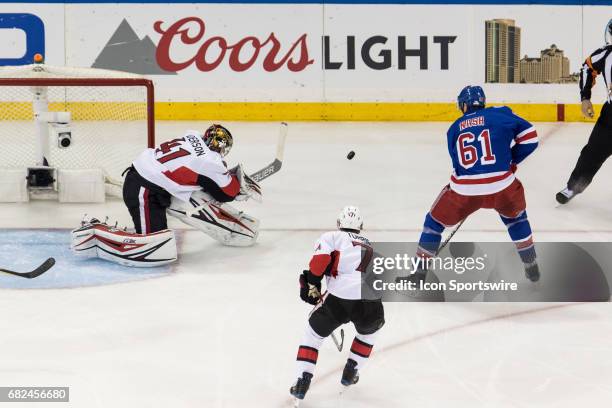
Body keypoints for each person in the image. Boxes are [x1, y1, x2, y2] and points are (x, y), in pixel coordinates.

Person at [71, 125, 261, 267]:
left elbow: (198, 176)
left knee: (193, 197)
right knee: (154, 248)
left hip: (149, 183)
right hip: (143, 190)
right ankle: (95, 232)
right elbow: (226, 193)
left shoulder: (191, 136)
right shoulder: (210, 160)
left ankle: (234, 227)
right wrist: (240, 187)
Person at [411, 86, 540, 282]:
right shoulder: (500, 114)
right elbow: (531, 138)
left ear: (463, 105)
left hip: (465, 191)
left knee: (434, 224)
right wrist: (511, 162)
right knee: (517, 220)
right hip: (502, 186)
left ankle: (419, 273)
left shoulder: (453, 129)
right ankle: (531, 266)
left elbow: (458, 166)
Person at [290, 206, 384, 405]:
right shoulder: (372, 246)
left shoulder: (332, 237)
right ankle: (351, 372)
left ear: (338, 224)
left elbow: (320, 261)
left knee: (312, 335)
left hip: (339, 299)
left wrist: (314, 283)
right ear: (361, 227)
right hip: (371, 300)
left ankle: (302, 381)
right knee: (368, 334)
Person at [556, 19, 612, 204]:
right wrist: (585, 97)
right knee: (592, 153)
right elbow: (587, 69)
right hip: (610, 116)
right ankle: (574, 186)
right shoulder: (606, 54)